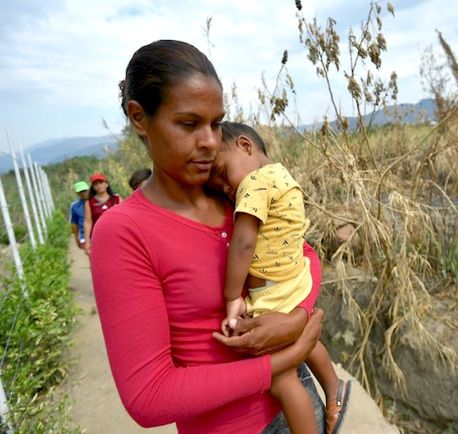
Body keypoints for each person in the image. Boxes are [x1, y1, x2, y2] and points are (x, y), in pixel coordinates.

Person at [90, 39, 326, 433]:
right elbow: (149, 397)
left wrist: (297, 317)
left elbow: (301, 252)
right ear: (138, 117)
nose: (211, 142)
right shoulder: (124, 232)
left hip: (301, 404)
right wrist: (281, 361)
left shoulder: (232, 192)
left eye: (216, 123)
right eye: (188, 124)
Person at [209, 121, 350, 434]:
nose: (226, 188)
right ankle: (333, 385)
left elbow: (245, 242)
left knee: (282, 379)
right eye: (219, 188)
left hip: (273, 288)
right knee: (299, 337)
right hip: (293, 278)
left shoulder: (255, 183)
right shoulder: (282, 176)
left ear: (245, 146)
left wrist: (233, 296)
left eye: (222, 173)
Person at [83, 172, 121, 255]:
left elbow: (125, 217)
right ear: (93, 187)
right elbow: (88, 222)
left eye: (101, 182)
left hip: (118, 236)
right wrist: (87, 241)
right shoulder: (89, 203)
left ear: (106, 184)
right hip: (99, 238)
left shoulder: (117, 198)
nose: (99, 186)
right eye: (95, 184)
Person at [69, 180, 89, 248]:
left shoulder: (96, 201)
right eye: (81, 192)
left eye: (85, 191)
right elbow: (74, 223)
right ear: (77, 193)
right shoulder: (75, 206)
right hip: (84, 236)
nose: (83, 194)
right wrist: (77, 239)